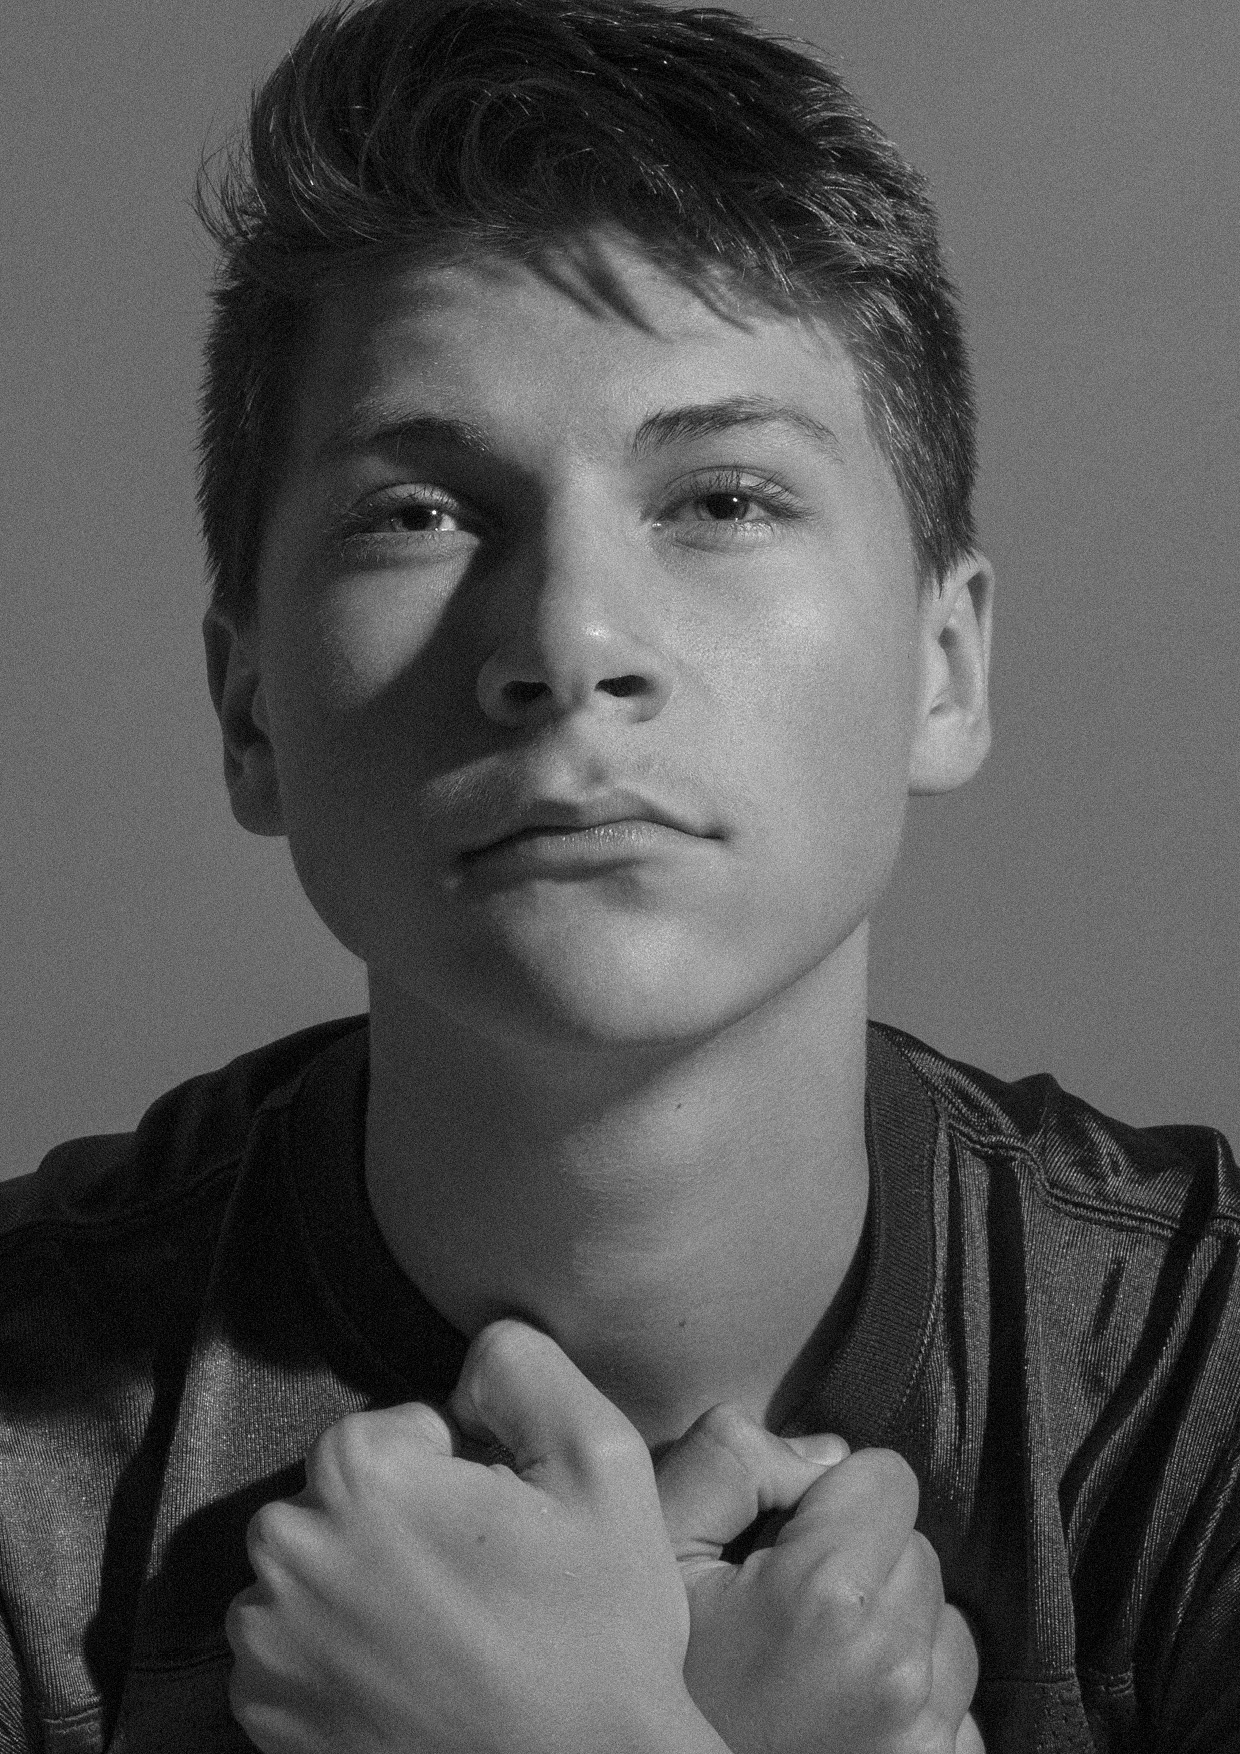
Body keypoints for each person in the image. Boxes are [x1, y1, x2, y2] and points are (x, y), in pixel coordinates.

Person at [1, 0, 1236, 1749]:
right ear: (249, 705)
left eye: (722, 498)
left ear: (945, 667)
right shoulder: (26, 1440)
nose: (570, 642)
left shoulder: (1196, 1375)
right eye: (418, 512)